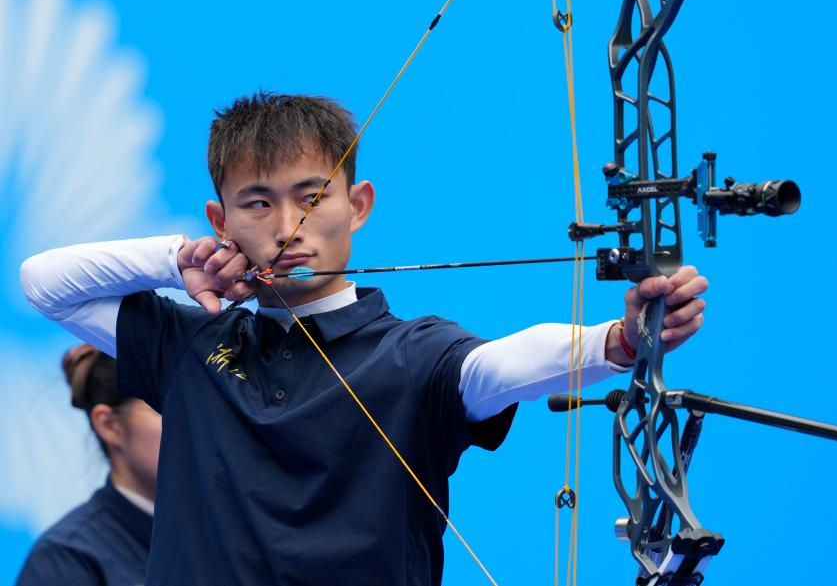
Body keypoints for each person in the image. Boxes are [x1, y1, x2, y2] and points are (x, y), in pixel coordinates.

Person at [20, 91, 708, 586]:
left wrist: (618, 339)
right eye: (257, 202)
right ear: (220, 220)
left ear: (358, 205)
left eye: (311, 196)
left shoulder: (414, 355)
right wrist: (176, 260)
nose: (287, 226)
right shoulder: (189, 344)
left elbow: (500, 365)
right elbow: (43, 282)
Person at [16, 344, 161, 586]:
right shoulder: (65, 560)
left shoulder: (216, 533)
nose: (193, 423)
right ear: (108, 425)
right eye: (165, 407)